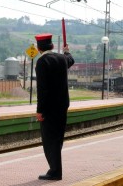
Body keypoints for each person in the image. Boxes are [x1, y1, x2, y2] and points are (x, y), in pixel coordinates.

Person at [35, 33, 75, 181]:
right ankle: (55, 168)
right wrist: (67, 51)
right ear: (52, 45)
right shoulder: (62, 59)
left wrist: (40, 110)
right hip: (62, 106)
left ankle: (55, 171)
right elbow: (70, 59)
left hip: (49, 109)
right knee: (58, 139)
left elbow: (42, 89)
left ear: (39, 48)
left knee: (49, 140)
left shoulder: (42, 62)